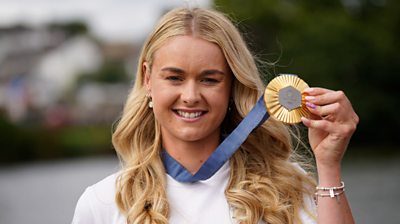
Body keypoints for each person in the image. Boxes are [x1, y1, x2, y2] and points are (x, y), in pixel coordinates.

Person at [72, 7, 358, 224]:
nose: (191, 95)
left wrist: (328, 166)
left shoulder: (286, 188)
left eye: (210, 79)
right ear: (148, 79)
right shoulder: (103, 203)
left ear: (232, 86)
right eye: (174, 77)